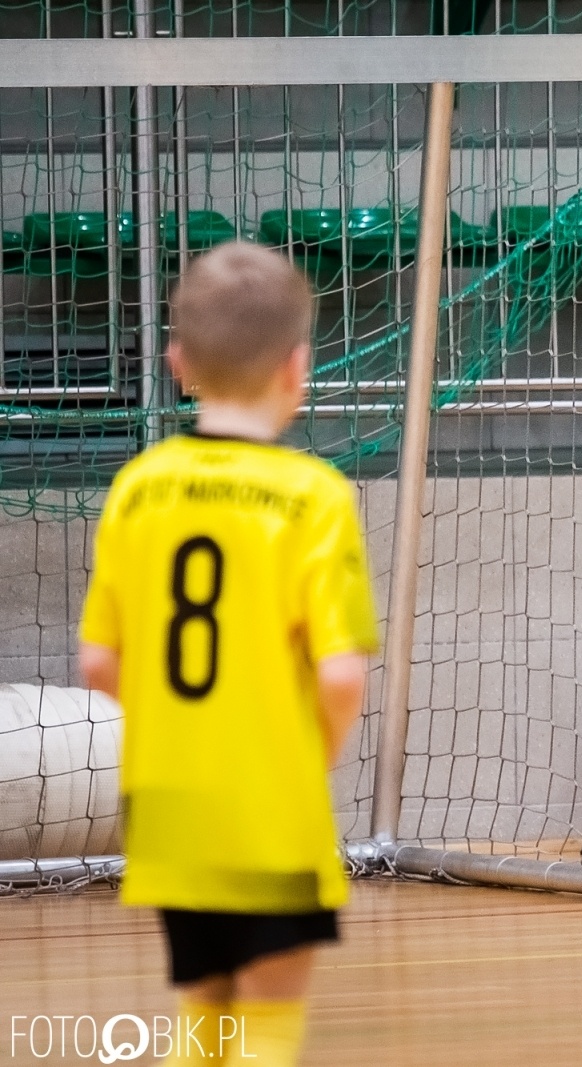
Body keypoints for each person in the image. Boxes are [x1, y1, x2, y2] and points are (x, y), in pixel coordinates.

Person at [79, 242, 378, 1064]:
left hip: (167, 802)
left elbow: (100, 664)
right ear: (297, 367)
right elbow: (342, 670)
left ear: (177, 363)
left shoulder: (139, 485)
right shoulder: (315, 496)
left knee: (202, 1011)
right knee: (266, 1025)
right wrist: (306, 754)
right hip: (269, 802)